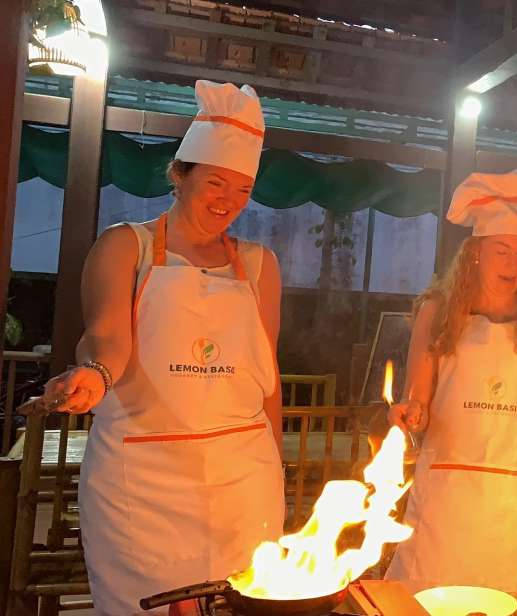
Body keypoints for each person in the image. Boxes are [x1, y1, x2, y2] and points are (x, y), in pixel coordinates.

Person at [41, 81, 284, 615]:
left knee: (242, 603)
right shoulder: (126, 245)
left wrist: (277, 462)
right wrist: (95, 375)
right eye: (217, 183)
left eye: (243, 189)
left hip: (244, 477)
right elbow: (107, 338)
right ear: (180, 175)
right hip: (144, 479)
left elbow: (267, 374)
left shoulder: (260, 265)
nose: (229, 201)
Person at [384, 168, 517, 592]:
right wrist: (410, 414)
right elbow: (416, 398)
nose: (514, 264)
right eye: (502, 251)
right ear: (475, 252)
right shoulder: (438, 311)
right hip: (449, 503)